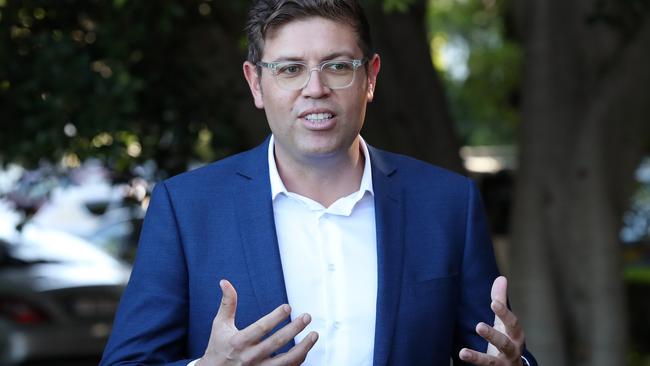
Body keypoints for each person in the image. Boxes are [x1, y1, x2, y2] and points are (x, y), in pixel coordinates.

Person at [100, 1, 537, 365]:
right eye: (290, 69)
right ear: (256, 83)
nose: (315, 88)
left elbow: (495, 351)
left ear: (371, 77)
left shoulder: (447, 203)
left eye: (337, 66)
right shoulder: (186, 208)